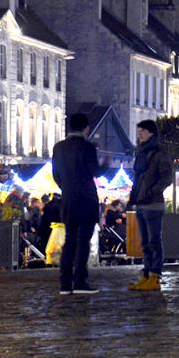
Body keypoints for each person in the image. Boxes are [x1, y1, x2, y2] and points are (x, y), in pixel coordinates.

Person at [52, 113, 104, 295]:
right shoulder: (87, 147)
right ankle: (80, 281)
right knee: (83, 242)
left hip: (68, 200)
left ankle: (65, 284)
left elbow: (56, 175)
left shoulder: (58, 148)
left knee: (69, 241)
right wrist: (105, 165)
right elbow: (95, 171)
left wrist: (66, 187)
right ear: (86, 128)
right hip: (86, 199)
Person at [128, 119, 172, 291]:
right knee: (145, 242)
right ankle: (146, 274)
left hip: (153, 204)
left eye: (143, 131)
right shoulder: (140, 153)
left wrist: (152, 191)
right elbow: (138, 178)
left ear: (151, 133)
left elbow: (167, 178)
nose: (139, 135)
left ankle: (155, 275)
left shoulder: (159, 153)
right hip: (140, 203)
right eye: (139, 131)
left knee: (154, 240)